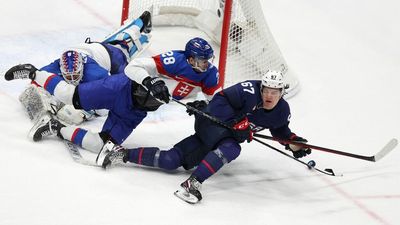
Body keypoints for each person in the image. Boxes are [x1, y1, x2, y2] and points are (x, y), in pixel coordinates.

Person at [96, 70, 312, 203]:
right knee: (232, 148)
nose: (268, 95)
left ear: (281, 93)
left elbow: (280, 131)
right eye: (266, 90)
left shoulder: (282, 111)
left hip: (220, 137)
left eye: (274, 92)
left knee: (171, 160)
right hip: (211, 121)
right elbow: (219, 99)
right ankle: (192, 184)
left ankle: (119, 153)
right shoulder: (248, 90)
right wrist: (237, 123)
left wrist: (293, 143)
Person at [4, 37, 220, 155]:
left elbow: (215, 102)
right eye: (202, 60)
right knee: (72, 96)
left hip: (137, 110)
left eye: (207, 60)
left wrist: (201, 106)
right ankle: (33, 71)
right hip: (121, 87)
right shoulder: (175, 60)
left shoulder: (210, 75)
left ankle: (54, 128)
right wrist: (150, 80)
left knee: (101, 144)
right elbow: (132, 67)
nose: (206, 64)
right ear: (190, 59)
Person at [15, 11, 153, 125]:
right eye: (68, 76)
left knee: (125, 49)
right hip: (91, 48)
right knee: (120, 40)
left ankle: (142, 25)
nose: (72, 80)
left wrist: (87, 111)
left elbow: (110, 97)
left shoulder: (96, 73)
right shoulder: (57, 65)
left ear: (82, 67)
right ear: (61, 68)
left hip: (113, 57)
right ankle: (142, 21)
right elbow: (38, 78)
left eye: (75, 76)